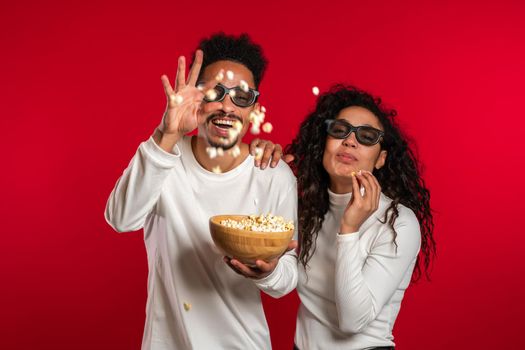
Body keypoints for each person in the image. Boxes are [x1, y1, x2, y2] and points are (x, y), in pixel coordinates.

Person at [105, 33, 298, 350]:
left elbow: (288, 279)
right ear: (197, 97)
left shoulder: (273, 174)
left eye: (242, 96)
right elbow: (121, 219)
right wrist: (166, 134)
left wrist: (269, 272)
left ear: (254, 108)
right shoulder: (164, 157)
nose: (227, 106)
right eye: (215, 92)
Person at [284, 85, 436, 349]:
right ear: (324, 143)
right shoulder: (306, 208)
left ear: (381, 159)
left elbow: (354, 320)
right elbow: (279, 277)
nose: (350, 141)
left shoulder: (397, 222)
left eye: (367, 136)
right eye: (340, 130)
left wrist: (349, 228)